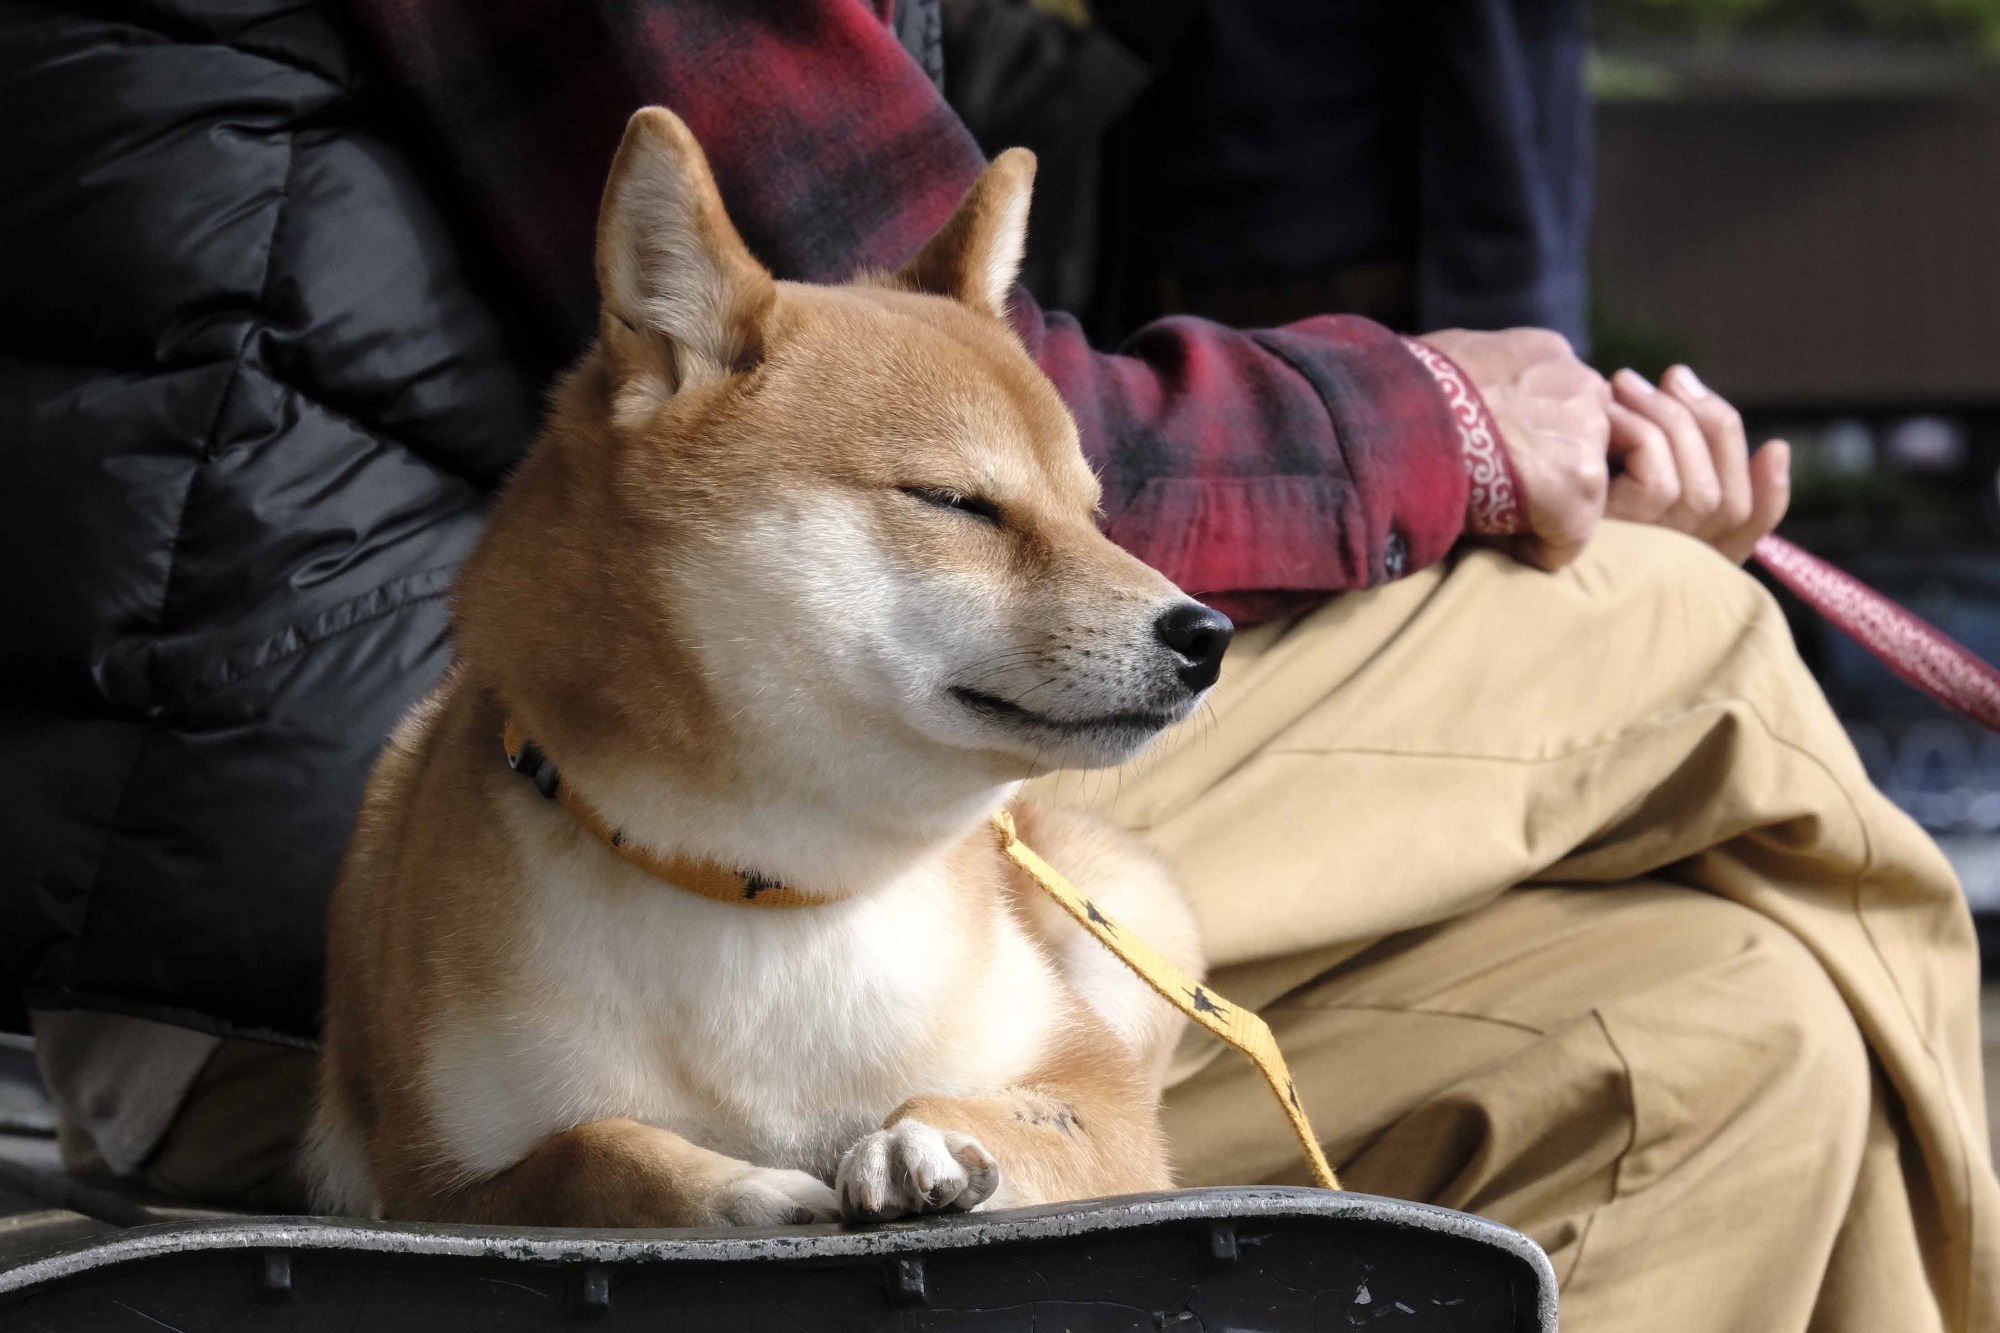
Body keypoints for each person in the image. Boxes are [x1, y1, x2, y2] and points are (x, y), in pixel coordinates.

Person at [0, 1, 1989, 1328]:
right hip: (477, 831)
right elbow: (889, 359)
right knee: (1679, 628)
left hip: (643, 840)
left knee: (1742, 1025)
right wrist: (1445, 425)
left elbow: (977, 404)